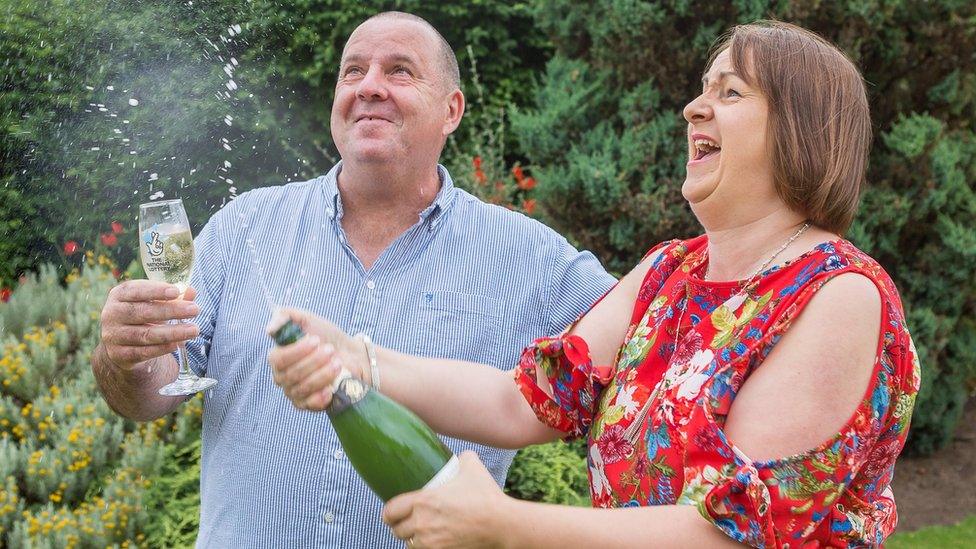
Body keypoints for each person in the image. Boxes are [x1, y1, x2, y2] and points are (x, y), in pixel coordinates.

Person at [269, 21, 921, 548]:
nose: (693, 107)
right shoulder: (670, 272)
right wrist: (360, 359)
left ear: (801, 127)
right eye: (702, 89)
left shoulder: (838, 293)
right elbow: (520, 401)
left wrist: (506, 524)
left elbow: (733, 533)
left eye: (729, 93)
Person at [90, 11, 615, 548]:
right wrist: (126, 357)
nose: (369, 87)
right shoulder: (243, 227)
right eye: (353, 71)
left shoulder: (533, 258)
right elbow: (152, 393)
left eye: (400, 71)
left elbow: (656, 355)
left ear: (452, 110)